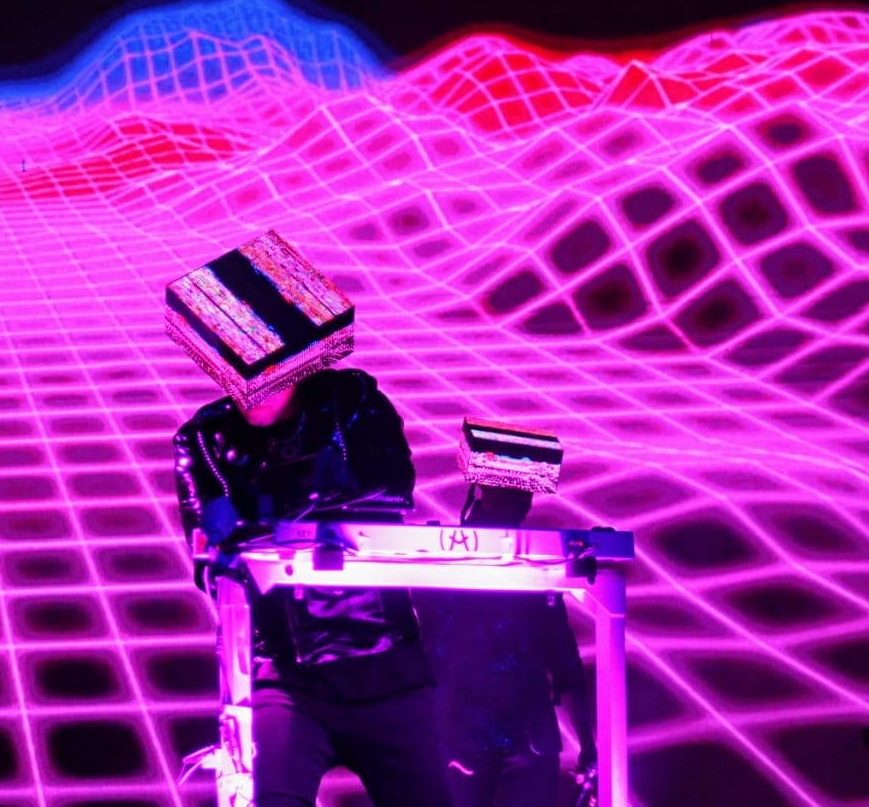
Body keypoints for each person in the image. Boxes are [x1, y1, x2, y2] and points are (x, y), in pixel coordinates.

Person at [167, 230, 453, 807]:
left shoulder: (352, 401)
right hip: (283, 677)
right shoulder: (203, 438)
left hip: (389, 667)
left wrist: (282, 523)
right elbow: (215, 555)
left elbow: (389, 492)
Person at [417, 481, 598, 807]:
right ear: (485, 490)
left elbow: (566, 663)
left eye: (526, 493)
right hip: (468, 737)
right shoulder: (453, 558)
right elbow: (427, 652)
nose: (524, 500)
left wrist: (587, 742)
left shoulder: (536, 564)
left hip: (521, 739)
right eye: (515, 491)